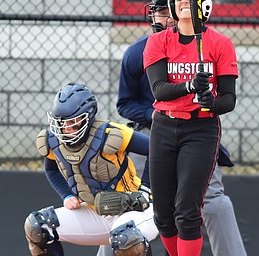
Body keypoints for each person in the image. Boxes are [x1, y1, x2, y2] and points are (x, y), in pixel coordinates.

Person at [117, 1, 247, 256]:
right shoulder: (142, 49)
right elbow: (134, 101)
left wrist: (213, 103)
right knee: (152, 210)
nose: (165, 18)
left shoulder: (218, 43)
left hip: (200, 129)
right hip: (156, 128)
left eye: (168, 12)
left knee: (199, 205)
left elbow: (228, 99)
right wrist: (183, 91)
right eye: (162, 12)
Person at [24, 82, 159, 256]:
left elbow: (155, 149)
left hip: (134, 209)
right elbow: (51, 170)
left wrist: (146, 188)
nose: (66, 129)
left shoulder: (111, 133)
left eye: (73, 123)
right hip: (96, 213)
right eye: (62, 123)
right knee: (38, 226)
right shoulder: (53, 140)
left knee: (127, 238)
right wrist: (67, 195)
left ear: (87, 117)